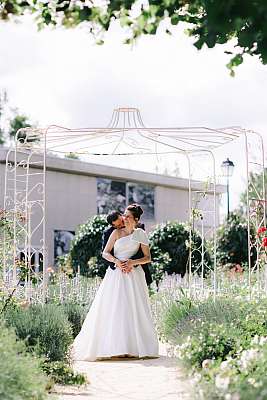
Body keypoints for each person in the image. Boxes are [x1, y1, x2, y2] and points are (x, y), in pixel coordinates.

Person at [72, 204, 158, 361]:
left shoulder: (140, 234)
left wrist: (132, 262)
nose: (124, 218)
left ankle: (133, 347)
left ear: (136, 219)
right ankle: (115, 348)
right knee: (115, 308)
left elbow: (148, 258)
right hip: (116, 275)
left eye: (128, 216)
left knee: (133, 309)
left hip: (134, 275)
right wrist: (117, 262)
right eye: (124, 215)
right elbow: (105, 253)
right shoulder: (116, 232)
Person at [102, 210, 153, 286]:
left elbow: (141, 251)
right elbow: (105, 252)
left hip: (136, 268)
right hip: (117, 270)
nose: (122, 225)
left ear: (122, 216)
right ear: (113, 226)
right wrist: (118, 264)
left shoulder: (139, 229)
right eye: (118, 225)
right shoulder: (110, 233)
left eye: (122, 221)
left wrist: (131, 263)